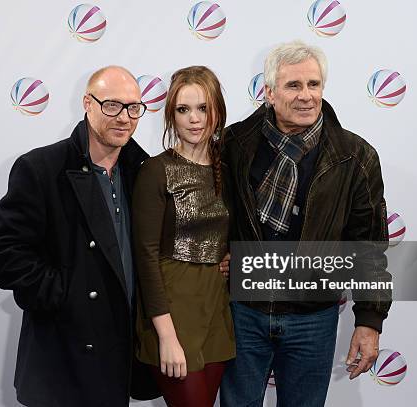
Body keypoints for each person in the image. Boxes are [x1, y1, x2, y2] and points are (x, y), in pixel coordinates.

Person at [220, 41, 392, 406]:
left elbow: (369, 247)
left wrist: (369, 319)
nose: (306, 96)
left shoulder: (355, 156)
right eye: (293, 86)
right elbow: (214, 214)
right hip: (243, 313)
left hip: (313, 318)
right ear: (268, 92)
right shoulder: (235, 143)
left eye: (314, 85)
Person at [0, 66, 160, 406]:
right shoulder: (41, 168)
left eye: (133, 107)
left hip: (118, 353)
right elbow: (2, 255)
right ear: (87, 104)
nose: (124, 117)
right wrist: (65, 292)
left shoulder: (143, 171)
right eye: (112, 105)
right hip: (62, 356)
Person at [132, 66, 235, 407]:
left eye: (203, 108)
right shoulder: (155, 170)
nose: (194, 119)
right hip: (172, 312)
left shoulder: (228, 167)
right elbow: (145, 256)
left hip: (216, 311)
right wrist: (166, 335)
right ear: (170, 116)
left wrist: (233, 257)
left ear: (217, 110)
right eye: (183, 109)